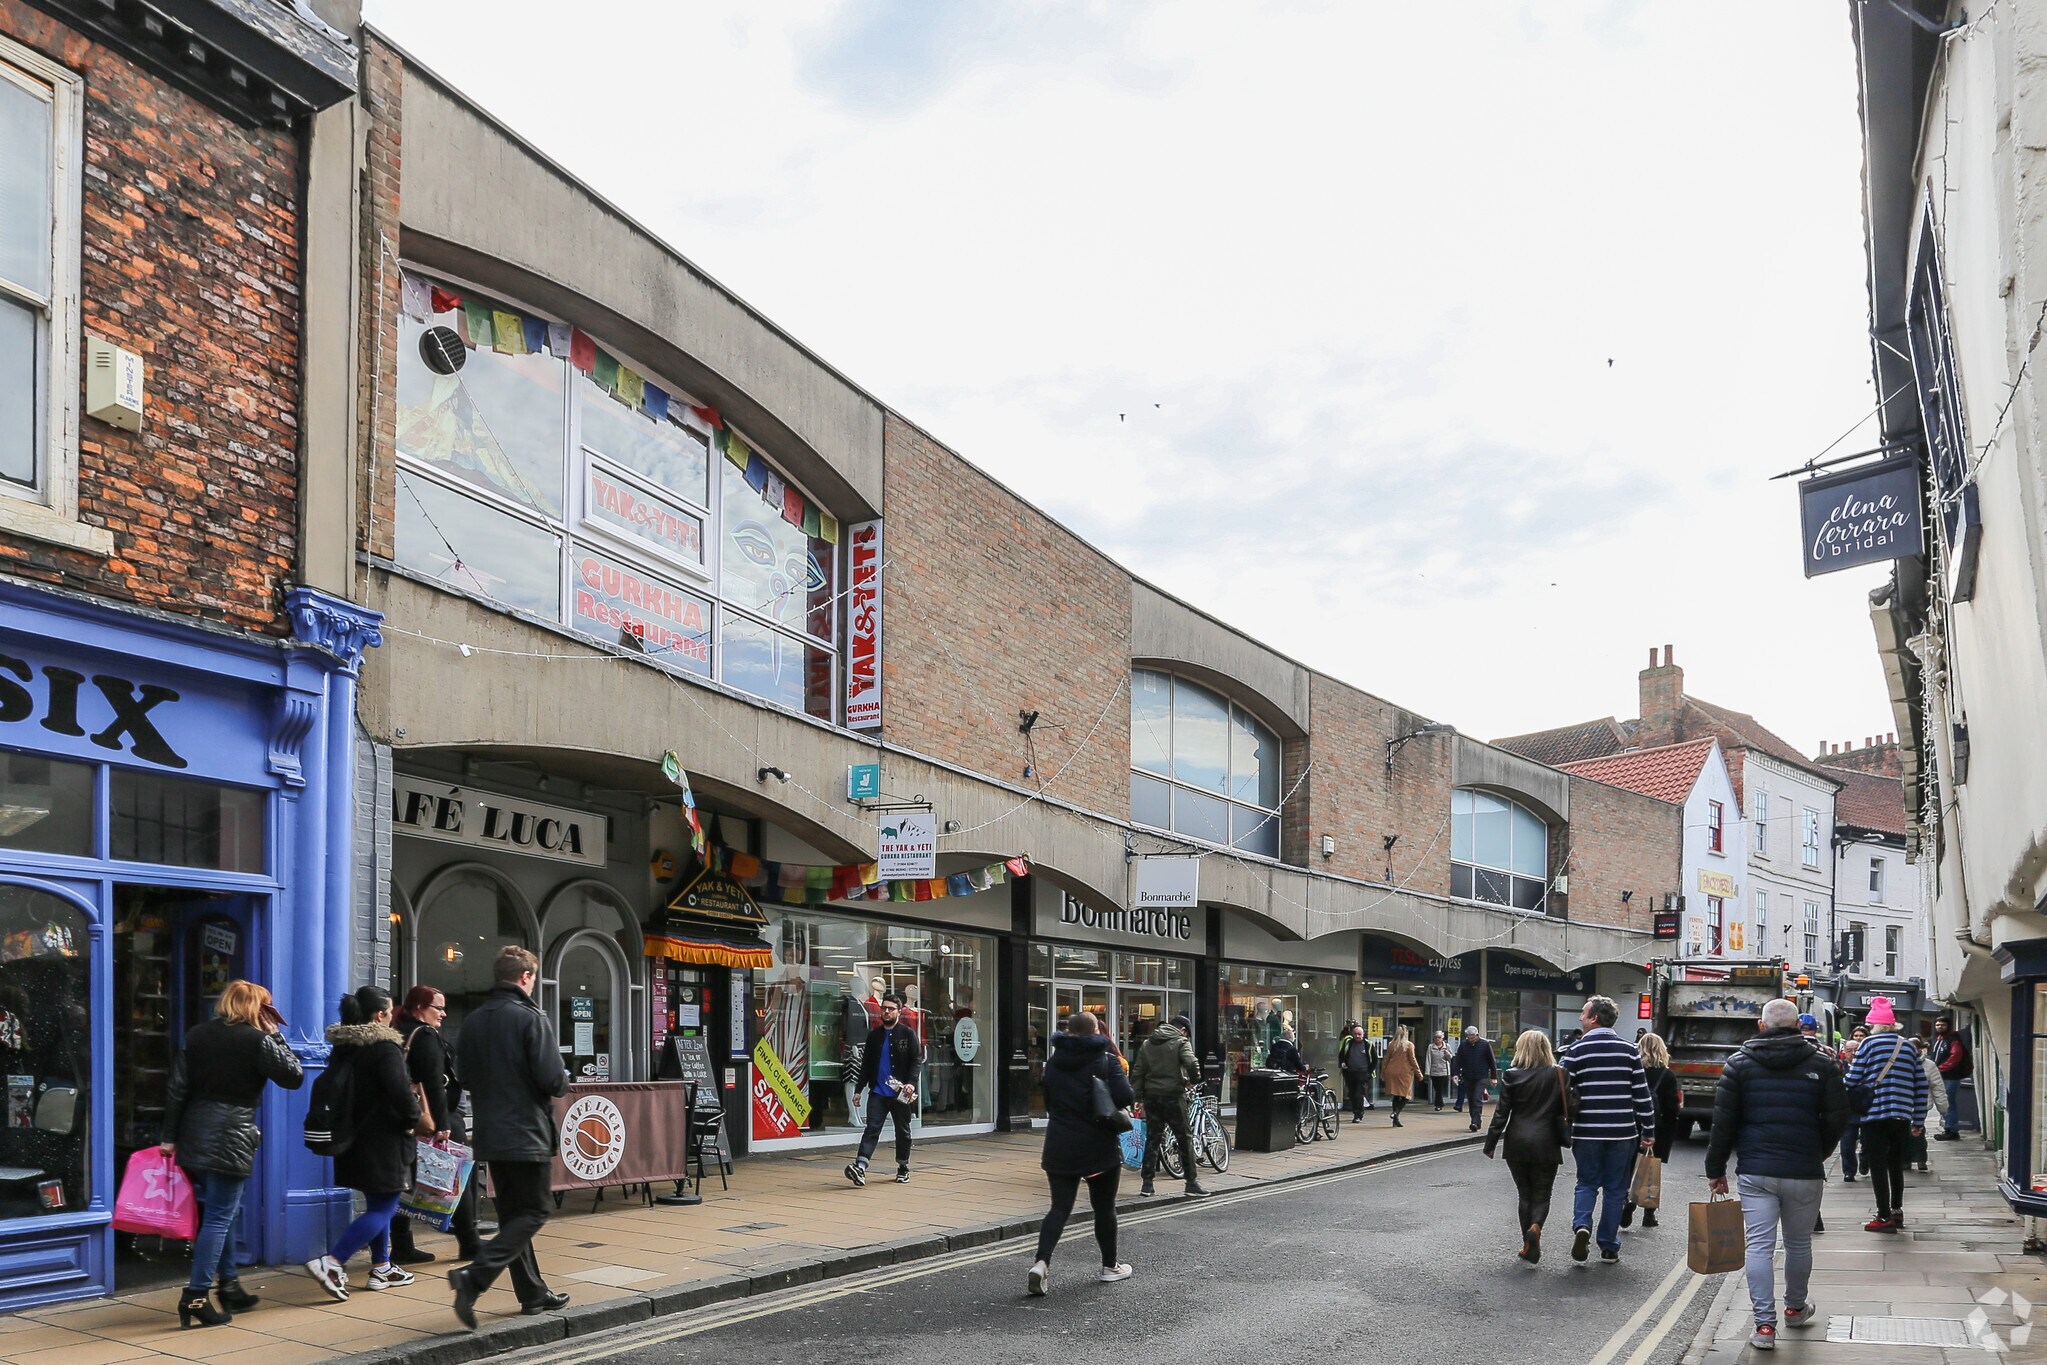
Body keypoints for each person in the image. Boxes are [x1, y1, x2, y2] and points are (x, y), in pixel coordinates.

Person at [1706, 998, 1850, 1352]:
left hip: (1756, 1169)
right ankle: (1795, 1308)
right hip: (1803, 1168)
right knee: (1799, 1244)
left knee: (1759, 1246)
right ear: (1799, 1026)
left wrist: (1715, 1169)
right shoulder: (1823, 1063)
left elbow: (1723, 1123)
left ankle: (1764, 1327)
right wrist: (1820, 1152)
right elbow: (1837, 1117)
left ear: (1761, 1025)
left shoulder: (1738, 1064)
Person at [160, 980, 304, 1328]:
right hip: (231, 1133)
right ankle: (195, 1296)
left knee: (217, 1213)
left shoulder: (196, 1035)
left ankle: (229, 1285)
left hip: (195, 1131)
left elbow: (178, 1088)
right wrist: (276, 1036)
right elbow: (294, 1076)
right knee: (220, 1217)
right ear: (257, 1007)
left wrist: (169, 1136)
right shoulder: (257, 1041)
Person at [448, 947, 571, 1329]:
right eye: (533, 977)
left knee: (513, 1217)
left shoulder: (473, 1021)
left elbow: (463, 1076)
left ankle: (533, 1293)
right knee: (535, 1211)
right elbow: (553, 1080)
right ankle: (475, 1276)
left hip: (491, 1134)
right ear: (525, 977)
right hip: (526, 1132)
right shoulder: (530, 1017)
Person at [304, 986, 420, 1302]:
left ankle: (382, 1266)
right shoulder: (385, 1047)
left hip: (354, 1139)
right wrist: (414, 1117)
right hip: (385, 1140)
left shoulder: (346, 1047)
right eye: (391, 1011)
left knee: (376, 1203)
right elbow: (400, 1092)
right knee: (385, 1207)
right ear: (379, 1015)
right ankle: (331, 1262)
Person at [1027, 1011, 1136, 1296]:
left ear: (1068, 1032)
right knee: (1104, 1208)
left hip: (1060, 1143)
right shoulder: (1105, 1060)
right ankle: (1110, 1266)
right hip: (1098, 1145)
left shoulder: (1053, 1063)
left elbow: (1049, 1101)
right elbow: (1125, 1098)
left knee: (1059, 1208)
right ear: (1096, 1032)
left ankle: (1041, 1263)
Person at [1559, 995, 1655, 1265]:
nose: (1580, 1017)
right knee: (1616, 1189)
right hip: (1622, 1133)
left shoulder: (1575, 1051)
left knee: (1587, 1182)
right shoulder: (1629, 1050)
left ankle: (1582, 1226)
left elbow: (1562, 1091)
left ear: (1594, 1018)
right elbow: (1641, 1095)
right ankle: (1609, 1246)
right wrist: (1648, 1130)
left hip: (1586, 1132)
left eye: (1583, 1013)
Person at [388, 985, 480, 1265]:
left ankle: (402, 1245)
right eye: (437, 1008)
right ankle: (470, 1242)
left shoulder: (397, 1031)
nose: (443, 1013)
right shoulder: (424, 1034)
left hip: (408, 1120)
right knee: (457, 1179)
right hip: (435, 1118)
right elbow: (435, 1082)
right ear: (419, 1008)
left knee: (406, 1181)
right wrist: (443, 1124)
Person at [1483, 1029, 1568, 1265]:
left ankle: (1527, 1244)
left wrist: (1490, 1143)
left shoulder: (1511, 1075)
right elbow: (1568, 1108)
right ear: (1546, 1049)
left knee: (1524, 1194)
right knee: (1542, 1194)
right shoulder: (1559, 1074)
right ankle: (1536, 1227)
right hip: (1547, 1141)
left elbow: (1502, 1113)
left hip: (1517, 1141)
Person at [1844, 997, 1928, 1233]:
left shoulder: (1868, 1045)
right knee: (1895, 1165)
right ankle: (1897, 1211)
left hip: (1874, 1116)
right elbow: (1921, 1085)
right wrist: (1918, 1119)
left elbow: (1852, 1080)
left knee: (1878, 1165)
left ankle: (1883, 1217)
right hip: (1901, 1116)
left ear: (1874, 1025)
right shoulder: (1908, 1047)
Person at [846, 992, 923, 1187]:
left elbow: (916, 1061)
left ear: (898, 1011)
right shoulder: (874, 1036)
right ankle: (860, 1167)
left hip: (901, 1094)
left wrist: (911, 1083)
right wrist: (858, 1089)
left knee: (903, 1131)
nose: (886, 1012)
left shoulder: (907, 1034)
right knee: (872, 1129)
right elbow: (866, 1065)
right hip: (878, 1092)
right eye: (884, 1008)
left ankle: (903, 1166)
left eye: (890, 1009)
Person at [1130, 1013, 1207, 1198]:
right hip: (1173, 1096)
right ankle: (1191, 1183)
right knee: (1184, 1139)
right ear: (1182, 1029)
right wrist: (1194, 1080)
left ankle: (1147, 1185)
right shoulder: (1181, 1042)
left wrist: (1138, 1096)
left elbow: (1138, 1071)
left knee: (1153, 1139)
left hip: (1152, 1097)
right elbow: (1192, 1062)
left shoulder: (1148, 1044)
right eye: (1187, 1032)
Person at [1620, 1031, 1681, 1230]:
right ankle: (1649, 1215)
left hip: (1632, 1125)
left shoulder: (1632, 1070)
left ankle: (1626, 1202)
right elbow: (1672, 1107)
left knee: (1628, 1168)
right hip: (1658, 1128)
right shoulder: (1667, 1074)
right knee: (1651, 1171)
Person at [1797, 1013, 1836, 1234]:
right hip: (1816, 1120)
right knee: (1811, 1171)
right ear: (1816, 1029)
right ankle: (1814, 1218)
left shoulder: (1787, 1049)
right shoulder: (1828, 1052)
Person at [1932, 1016, 1970, 1139]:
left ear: (1948, 1026)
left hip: (1950, 1076)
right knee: (1944, 1102)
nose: (1939, 1027)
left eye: (1942, 1025)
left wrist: (1939, 1069)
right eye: (1937, 1025)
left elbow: (1955, 1057)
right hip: (1942, 1076)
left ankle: (1952, 1130)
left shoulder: (1953, 1040)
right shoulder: (1939, 1040)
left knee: (1948, 1103)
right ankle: (1948, 1128)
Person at [1453, 1026, 1497, 1133]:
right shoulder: (1463, 1045)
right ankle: (1477, 1121)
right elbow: (1458, 1060)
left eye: (1472, 1037)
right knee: (1471, 1100)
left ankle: (1474, 1122)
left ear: (1477, 1035)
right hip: (1468, 1076)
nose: (1471, 1039)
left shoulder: (1485, 1044)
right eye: (1468, 1037)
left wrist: (1494, 1077)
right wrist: (1455, 1074)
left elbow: (1492, 1061)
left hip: (1481, 1076)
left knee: (1477, 1098)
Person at [1913, 1036, 1944, 1171]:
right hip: (1902, 1104)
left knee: (1918, 1131)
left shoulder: (1929, 1065)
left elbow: (1937, 1085)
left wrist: (1943, 1106)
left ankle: (1920, 1159)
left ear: (1921, 1049)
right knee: (1903, 1134)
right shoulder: (1898, 1062)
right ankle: (1906, 1160)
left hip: (1922, 1103)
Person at [1379, 1025, 1419, 1127]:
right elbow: (1413, 1060)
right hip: (1404, 1073)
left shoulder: (1391, 1044)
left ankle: (1395, 1120)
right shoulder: (1409, 1045)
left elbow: (1386, 1059)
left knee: (1396, 1095)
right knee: (1406, 1096)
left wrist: (1383, 1072)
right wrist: (1419, 1073)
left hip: (1391, 1072)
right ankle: (1395, 1112)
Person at [1835, 1036, 1862, 1182]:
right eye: (1849, 1050)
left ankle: (1865, 1161)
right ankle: (1849, 1171)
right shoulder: (1839, 1067)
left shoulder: (1868, 1067)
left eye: (1856, 1050)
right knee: (1846, 1144)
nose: (1853, 1053)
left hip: (1865, 1110)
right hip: (1847, 1111)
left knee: (1868, 1142)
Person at [1338, 1024, 1375, 1120]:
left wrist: (1369, 1073)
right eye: (1355, 1034)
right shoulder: (1348, 1043)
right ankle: (1356, 1110)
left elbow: (1374, 1060)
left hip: (1362, 1073)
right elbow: (1341, 1055)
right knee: (1351, 1094)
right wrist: (1342, 1063)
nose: (1357, 1036)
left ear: (1363, 1034)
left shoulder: (1368, 1045)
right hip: (1350, 1073)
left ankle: (1358, 1114)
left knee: (1358, 1094)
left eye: (1359, 1034)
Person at [1425, 1031, 1453, 1110]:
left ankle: (1438, 1104)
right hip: (1434, 1071)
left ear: (1442, 1039)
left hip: (1444, 1070)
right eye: (1436, 1037)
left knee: (1440, 1088)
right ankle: (1440, 1103)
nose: (1437, 1039)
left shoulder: (1447, 1046)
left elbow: (1451, 1058)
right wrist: (1427, 1072)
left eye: (1439, 1038)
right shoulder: (1431, 1047)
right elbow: (1428, 1059)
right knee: (1437, 1088)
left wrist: (1447, 1053)